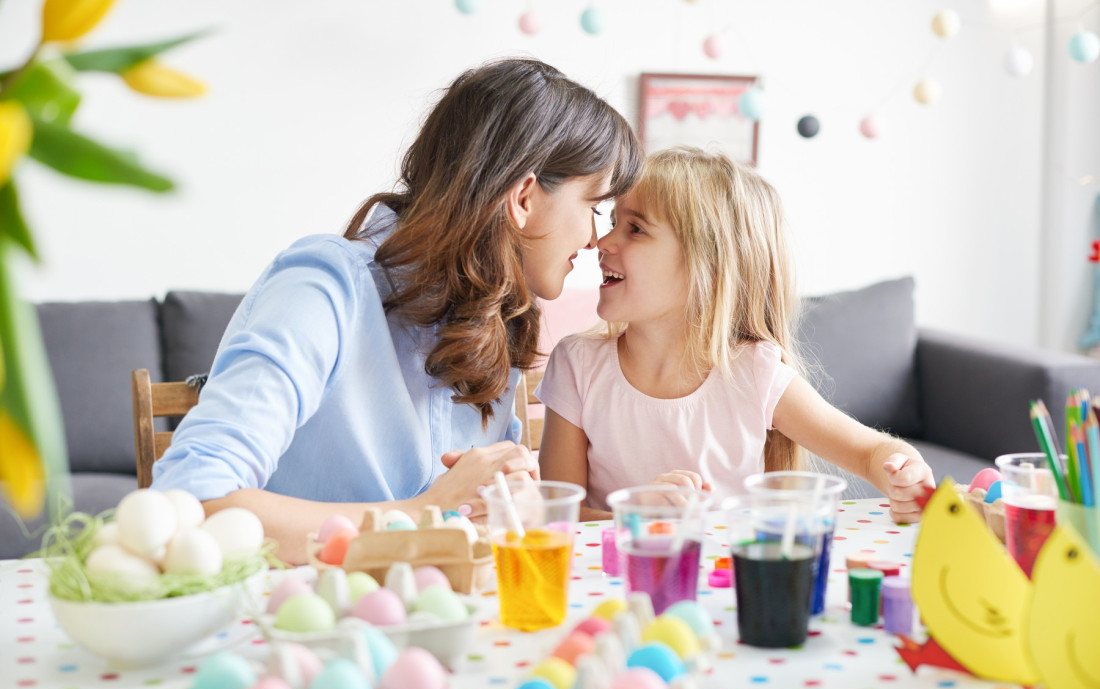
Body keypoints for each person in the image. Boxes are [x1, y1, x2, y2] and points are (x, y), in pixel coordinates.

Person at [151, 58, 644, 563]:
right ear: (524, 198)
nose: (594, 238)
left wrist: (510, 506)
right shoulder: (325, 287)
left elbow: (472, 521)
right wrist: (420, 514)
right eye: (593, 207)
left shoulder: (496, 314)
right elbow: (192, 503)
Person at [536, 147, 933, 523]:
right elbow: (556, 515)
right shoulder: (578, 365)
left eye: (635, 229)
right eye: (613, 223)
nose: (603, 242)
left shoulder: (754, 372)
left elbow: (870, 453)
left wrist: (904, 471)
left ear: (707, 267)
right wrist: (638, 516)